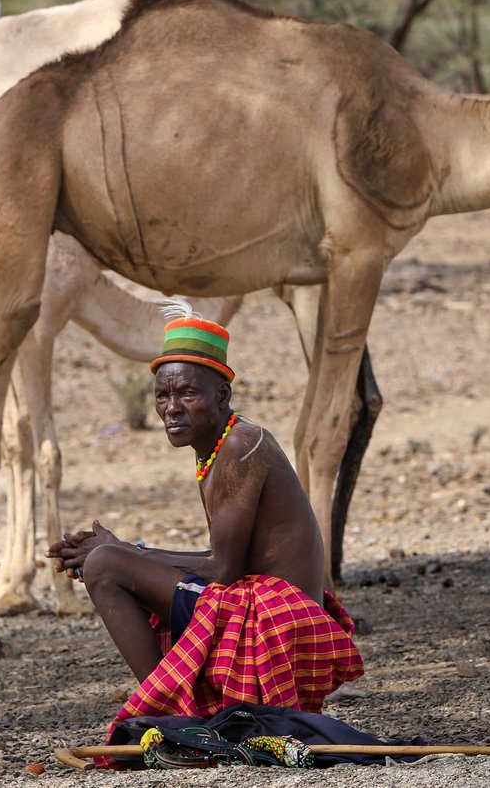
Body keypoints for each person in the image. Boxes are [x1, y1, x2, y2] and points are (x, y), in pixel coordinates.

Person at [47, 303, 362, 724]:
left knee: (106, 565)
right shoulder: (215, 447)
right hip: (264, 613)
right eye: (163, 395)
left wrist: (126, 551)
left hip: (277, 626)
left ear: (222, 396)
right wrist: (131, 554)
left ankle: (175, 717)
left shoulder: (240, 445)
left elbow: (222, 570)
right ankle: (185, 712)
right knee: (113, 561)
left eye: (188, 394)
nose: (172, 408)